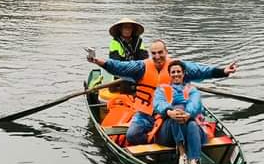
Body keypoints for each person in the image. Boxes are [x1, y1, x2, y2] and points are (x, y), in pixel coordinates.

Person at [87, 39, 237, 148]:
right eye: (154, 54)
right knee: (132, 135)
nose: (157, 56)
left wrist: (223, 71)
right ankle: (153, 149)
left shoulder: (177, 68)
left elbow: (201, 70)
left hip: (169, 113)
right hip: (145, 113)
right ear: (150, 54)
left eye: (160, 53)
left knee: (175, 127)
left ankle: (177, 149)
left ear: (166, 52)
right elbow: (119, 67)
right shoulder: (141, 67)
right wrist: (97, 61)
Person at [151, 60, 206, 164]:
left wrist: (188, 114)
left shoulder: (192, 90)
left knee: (191, 124)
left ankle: (193, 161)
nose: (176, 74)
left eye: (178, 71)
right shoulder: (161, 89)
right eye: (173, 72)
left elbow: (195, 103)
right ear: (169, 74)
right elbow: (158, 103)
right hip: (168, 132)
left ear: (183, 73)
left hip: (190, 125)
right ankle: (182, 155)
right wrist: (169, 111)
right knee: (175, 115)